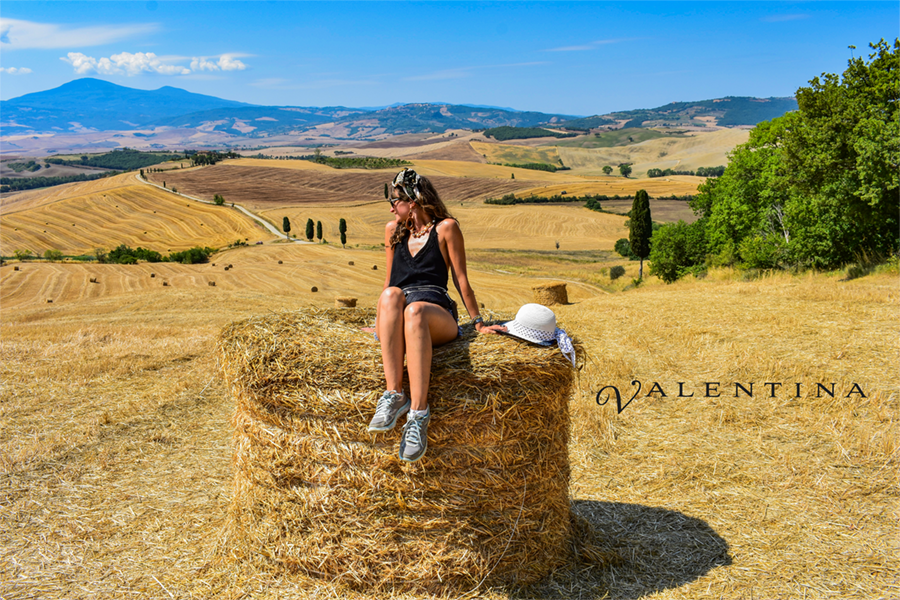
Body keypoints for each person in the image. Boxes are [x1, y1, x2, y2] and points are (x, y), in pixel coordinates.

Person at [370, 168, 505, 463]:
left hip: (435, 313)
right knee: (393, 295)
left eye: (395, 201)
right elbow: (388, 282)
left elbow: (460, 278)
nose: (392, 208)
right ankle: (394, 395)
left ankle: (418, 415)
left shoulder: (446, 228)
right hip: (402, 311)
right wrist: (381, 321)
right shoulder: (393, 231)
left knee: (415, 310)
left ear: (413, 202)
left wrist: (478, 322)